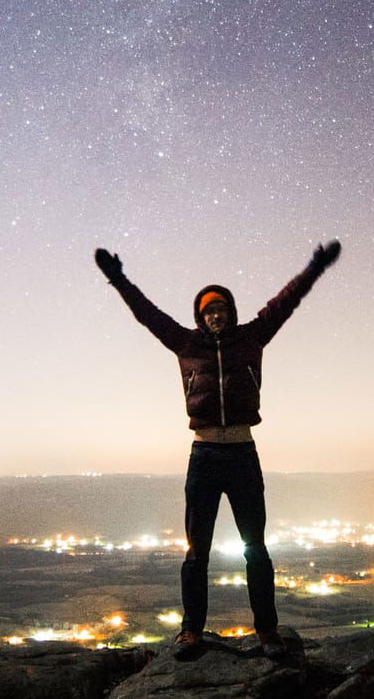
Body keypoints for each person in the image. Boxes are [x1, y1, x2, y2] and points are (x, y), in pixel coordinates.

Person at [93, 240, 342, 660]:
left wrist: (315, 267)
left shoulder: (252, 337)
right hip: (204, 457)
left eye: (221, 308)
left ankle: (267, 631)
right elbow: (147, 314)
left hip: (243, 453)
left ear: (231, 311)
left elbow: (287, 301)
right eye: (209, 310)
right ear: (200, 315)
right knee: (197, 551)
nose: (215, 315)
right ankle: (191, 631)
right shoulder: (186, 344)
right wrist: (117, 278)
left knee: (255, 548)